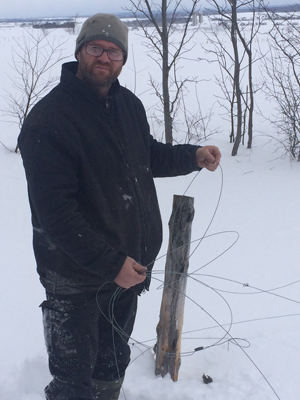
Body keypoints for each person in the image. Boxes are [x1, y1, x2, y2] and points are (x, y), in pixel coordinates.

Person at [18, 13, 221, 400]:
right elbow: (55, 215)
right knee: (72, 382)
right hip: (75, 279)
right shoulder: (49, 120)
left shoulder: (127, 105)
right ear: (80, 52)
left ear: (123, 59)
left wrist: (193, 156)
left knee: (112, 364)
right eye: (95, 48)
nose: (104, 57)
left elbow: (147, 156)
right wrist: (111, 265)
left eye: (113, 51)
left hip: (127, 270)